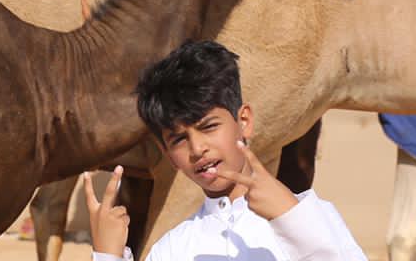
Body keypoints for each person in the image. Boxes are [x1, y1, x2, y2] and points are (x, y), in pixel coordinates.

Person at [84, 40, 366, 261]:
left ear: (243, 121)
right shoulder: (173, 249)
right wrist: (108, 255)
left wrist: (291, 220)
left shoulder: (310, 216)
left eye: (208, 127)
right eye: (180, 140)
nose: (197, 149)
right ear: (168, 154)